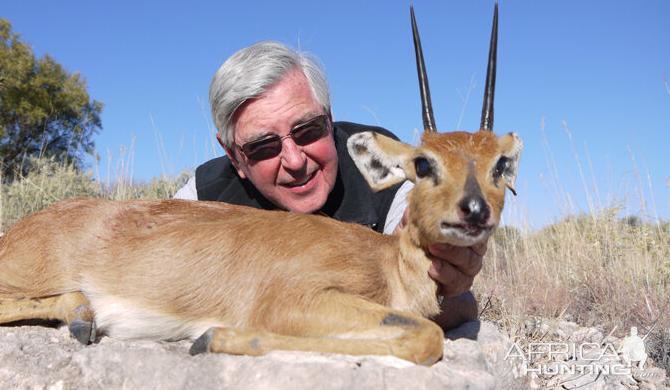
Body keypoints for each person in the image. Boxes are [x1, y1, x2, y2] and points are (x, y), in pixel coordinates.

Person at [175, 41, 484, 330]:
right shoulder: (201, 196)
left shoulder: (385, 167)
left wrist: (433, 273)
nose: (295, 161)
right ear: (234, 156)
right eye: (263, 147)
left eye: (308, 130)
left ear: (329, 117)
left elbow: (457, 302)